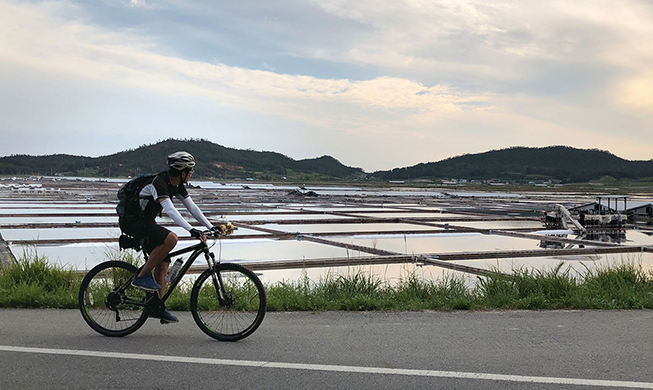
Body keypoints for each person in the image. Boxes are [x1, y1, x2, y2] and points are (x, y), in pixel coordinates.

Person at [118, 151, 218, 323]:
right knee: (171, 239)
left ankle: (157, 306)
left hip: (146, 222)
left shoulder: (177, 185)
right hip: (132, 222)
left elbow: (191, 207)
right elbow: (170, 210)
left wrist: (210, 226)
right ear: (182, 172)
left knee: (164, 262)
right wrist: (191, 229)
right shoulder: (159, 183)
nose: (191, 174)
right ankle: (142, 276)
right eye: (190, 171)